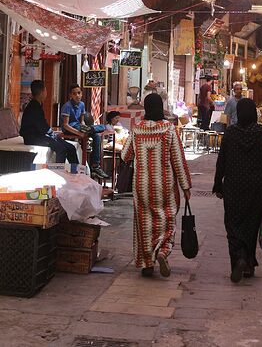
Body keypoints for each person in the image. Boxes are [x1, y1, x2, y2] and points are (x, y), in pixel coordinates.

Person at [121, 93, 191, 278]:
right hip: (164, 185)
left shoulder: (137, 129)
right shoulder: (168, 129)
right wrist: (185, 187)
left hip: (142, 185)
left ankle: (147, 264)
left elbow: (125, 155)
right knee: (166, 219)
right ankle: (162, 251)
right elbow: (178, 160)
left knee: (144, 223)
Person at [213, 98, 262, 283]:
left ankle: (238, 258)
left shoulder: (231, 133)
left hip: (233, 187)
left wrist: (218, 184)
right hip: (257, 189)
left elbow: (221, 161)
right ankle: (248, 264)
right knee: (251, 226)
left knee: (233, 226)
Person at [20, 80, 79, 165]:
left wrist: (53, 134)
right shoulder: (33, 107)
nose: (46, 92)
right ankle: (59, 172)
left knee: (71, 147)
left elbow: (43, 126)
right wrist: (52, 134)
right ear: (42, 92)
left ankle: (76, 171)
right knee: (61, 148)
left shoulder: (38, 104)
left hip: (40, 135)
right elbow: (41, 127)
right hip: (32, 137)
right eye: (45, 90)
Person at [61, 84, 109, 180]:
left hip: (79, 126)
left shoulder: (82, 104)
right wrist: (80, 133)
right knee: (100, 128)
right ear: (70, 95)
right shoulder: (67, 106)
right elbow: (66, 125)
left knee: (97, 136)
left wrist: (85, 128)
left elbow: (82, 121)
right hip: (70, 128)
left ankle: (95, 165)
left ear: (81, 94)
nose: (77, 95)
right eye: (74, 94)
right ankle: (102, 127)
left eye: (79, 93)